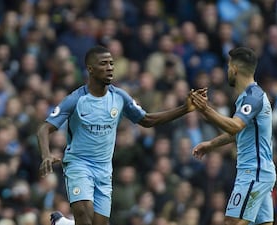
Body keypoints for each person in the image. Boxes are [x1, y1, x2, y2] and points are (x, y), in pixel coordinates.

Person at [37, 46, 201, 225]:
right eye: (103, 63)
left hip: (104, 169)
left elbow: (147, 120)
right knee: (83, 213)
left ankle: (63, 223)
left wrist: (185, 109)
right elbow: (44, 129)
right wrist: (46, 154)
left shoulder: (119, 97)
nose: (110, 67)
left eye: (111, 63)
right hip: (79, 163)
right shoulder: (76, 99)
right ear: (90, 69)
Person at [191, 47, 276, 225]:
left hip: (254, 172)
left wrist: (206, 109)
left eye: (228, 66)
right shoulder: (247, 97)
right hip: (260, 171)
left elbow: (236, 126)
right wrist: (211, 145)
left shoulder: (253, 97)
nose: (227, 70)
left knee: (232, 220)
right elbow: (237, 132)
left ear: (235, 69)